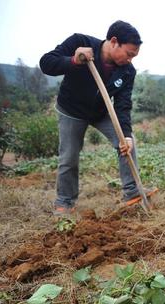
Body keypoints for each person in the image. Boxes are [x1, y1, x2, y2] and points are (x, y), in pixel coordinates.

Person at [40, 20, 155, 214]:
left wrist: (125, 134)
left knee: (127, 143)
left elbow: (123, 104)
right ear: (114, 41)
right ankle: (64, 202)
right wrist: (74, 60)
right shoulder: (79, 42)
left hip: (102, 112)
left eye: (134, 56)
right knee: (69, 155)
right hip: (72, 111)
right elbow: (46, 63)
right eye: (128, 54)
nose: (130, 60)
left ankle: (131, 190)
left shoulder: (127, 71)